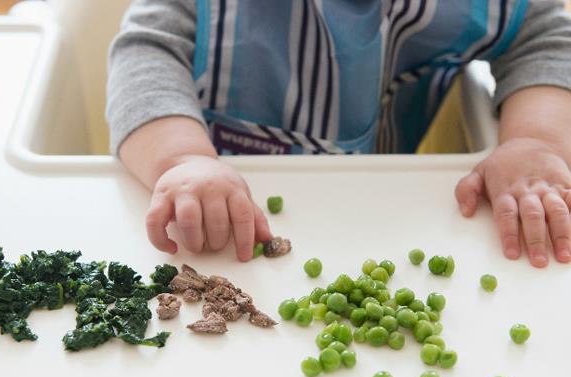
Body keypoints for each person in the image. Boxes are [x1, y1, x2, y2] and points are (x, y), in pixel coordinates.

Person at [107, 0, 571, 267]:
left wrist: (535, 141)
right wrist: (182, 159)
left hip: (379, 209)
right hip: (217, 213)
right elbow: (145, 55)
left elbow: (544, 37)